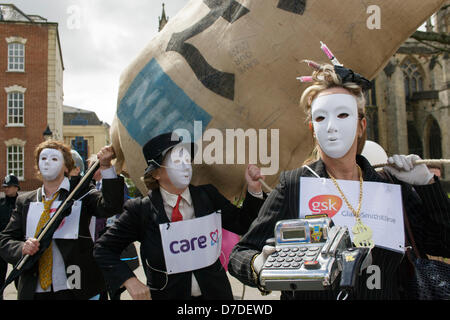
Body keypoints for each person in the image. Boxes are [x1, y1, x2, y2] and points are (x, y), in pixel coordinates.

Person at [227, 61, 450, 300]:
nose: (332, 126)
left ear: (361, 125)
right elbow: (241, 253)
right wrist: (259, 265)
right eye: (321, 118)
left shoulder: (389, 188)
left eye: (343, 115)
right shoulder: (295, 185)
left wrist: (426, 185)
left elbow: (442, 243)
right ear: (312, 128)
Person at [94, 132, 266, 300]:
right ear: (156, 173)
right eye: (177, 161)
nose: (185, 166)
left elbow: (243, 223)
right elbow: (103, 249)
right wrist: (129, 280)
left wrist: (254, 190)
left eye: (187, 160)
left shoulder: (207, 196)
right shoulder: (141, 210)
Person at [0, 140, 124, 300]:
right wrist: (21, 247)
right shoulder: (25, 201)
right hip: (34, 291)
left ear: (67, 167)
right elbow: (5, 240)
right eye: (43, 159)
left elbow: (111, 206)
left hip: (76, 289)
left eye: (54, 159)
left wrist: (106, 167)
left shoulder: (81, 193)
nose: (47, 163)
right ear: (37, 166)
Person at [0, 174, 20, 299]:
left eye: (9, 186)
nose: (6, 189)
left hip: (17, 244)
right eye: (4, 187)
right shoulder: (1, 204)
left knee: (19, 276)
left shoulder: (23, 202)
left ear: (16, 187)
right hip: (2, 245)